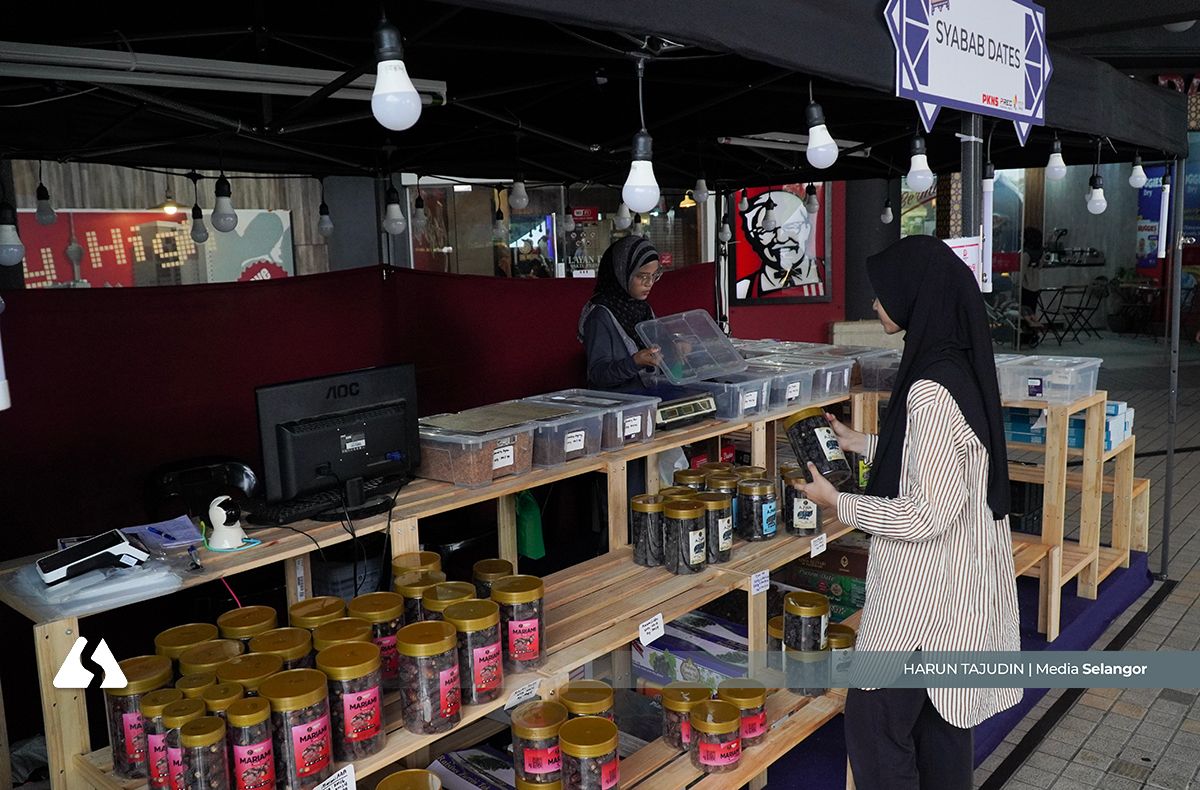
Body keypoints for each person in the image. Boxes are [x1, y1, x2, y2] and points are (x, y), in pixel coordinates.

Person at [796, 235, 1021, 789]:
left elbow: (925, 513)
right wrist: (862, 443)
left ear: (915, 297)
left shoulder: (929, 391)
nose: (875, 306)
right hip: (958, 589)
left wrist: (837, 501)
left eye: (882, 294)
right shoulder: (954, 364)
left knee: (873, 727)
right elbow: (941, 463)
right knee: (941, 728)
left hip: (925, 598)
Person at [577, 235, 663, 392]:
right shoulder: (599, 316)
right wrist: (635, 363)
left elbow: (659, 357)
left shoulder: (643, 308)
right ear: (622, 272)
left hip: (648, 398)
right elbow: (598, 375)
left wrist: (676, 350)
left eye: (654, 276)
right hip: (617, 406)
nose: (649, 283)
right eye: (642, 276)